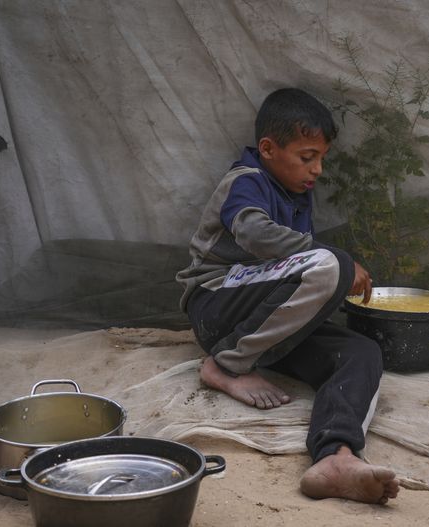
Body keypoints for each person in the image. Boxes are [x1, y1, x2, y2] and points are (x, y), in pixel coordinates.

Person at [176, 87, 399, 505]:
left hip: (263, 324)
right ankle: (225, 365)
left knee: (362, 353)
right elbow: (254, 234)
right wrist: (337, 261)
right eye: (307, 156)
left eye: (321, 159)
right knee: (330, 264)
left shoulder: (297, 194)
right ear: (268, 149)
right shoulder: (246, 182)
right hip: (217, 308)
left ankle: (336, 457)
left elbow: (295, 278)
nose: (316, 169)